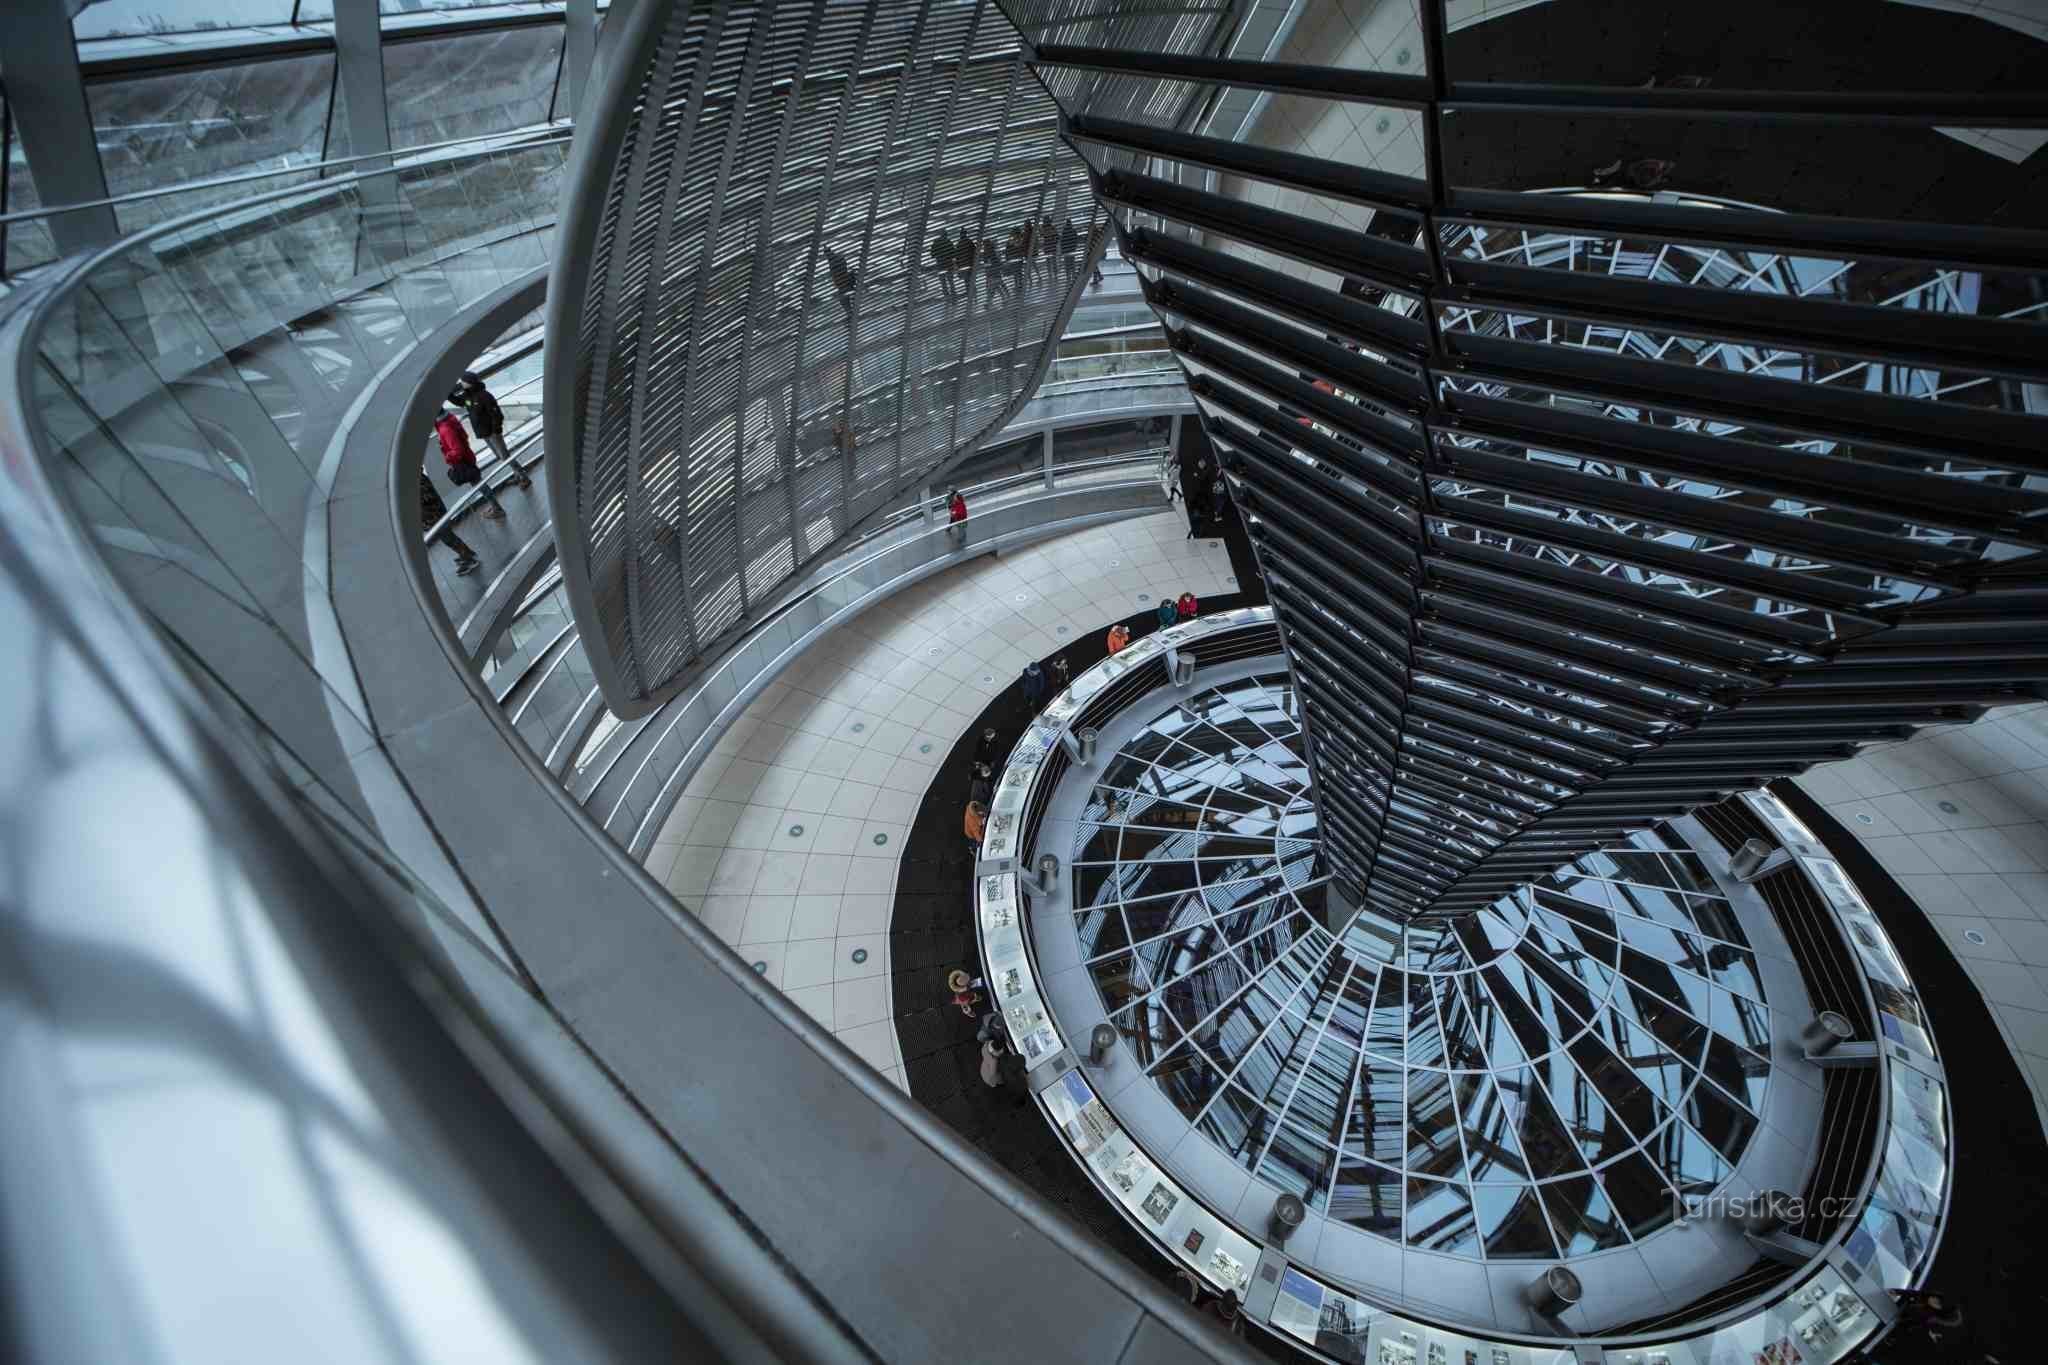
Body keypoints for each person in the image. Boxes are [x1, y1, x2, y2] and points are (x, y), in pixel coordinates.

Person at [452, 373, 531, 489]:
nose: (461, 383)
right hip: (483, 433)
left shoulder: (485, 396)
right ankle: (517, 474)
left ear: (469, 383)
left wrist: (495, 431)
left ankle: (524, 477)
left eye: (463, 381)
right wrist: (448, 395)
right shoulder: (467, 396)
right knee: (500, 456)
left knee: (504, 456)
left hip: (492, 433)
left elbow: (496, 414)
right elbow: (459, 402)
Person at [435, 406, 504, 519]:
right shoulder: (451, 419)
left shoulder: (445, 429)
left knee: (480, 485)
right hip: (468, 457)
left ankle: (498, 508)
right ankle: (495, 505)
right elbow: (464, 438)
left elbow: (457, 450)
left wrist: (448, 457)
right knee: (479, 484)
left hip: (463, 462)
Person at [419, 472, 480, 576]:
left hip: (434, 516)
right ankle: (467, 553)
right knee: (448, 537)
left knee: (448, 539)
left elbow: (426, 498)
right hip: (435, 514)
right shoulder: (419, 477)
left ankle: (469, 559)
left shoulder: (417, 481)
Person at [929, 228, 957, 299]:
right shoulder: (949, 242)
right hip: (948, 264)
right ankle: (953, 294)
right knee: (950, 280)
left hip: (940, 264)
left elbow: (932, 254)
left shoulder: (936, 242)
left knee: (943, 281)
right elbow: (953, 253)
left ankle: (946, 295)